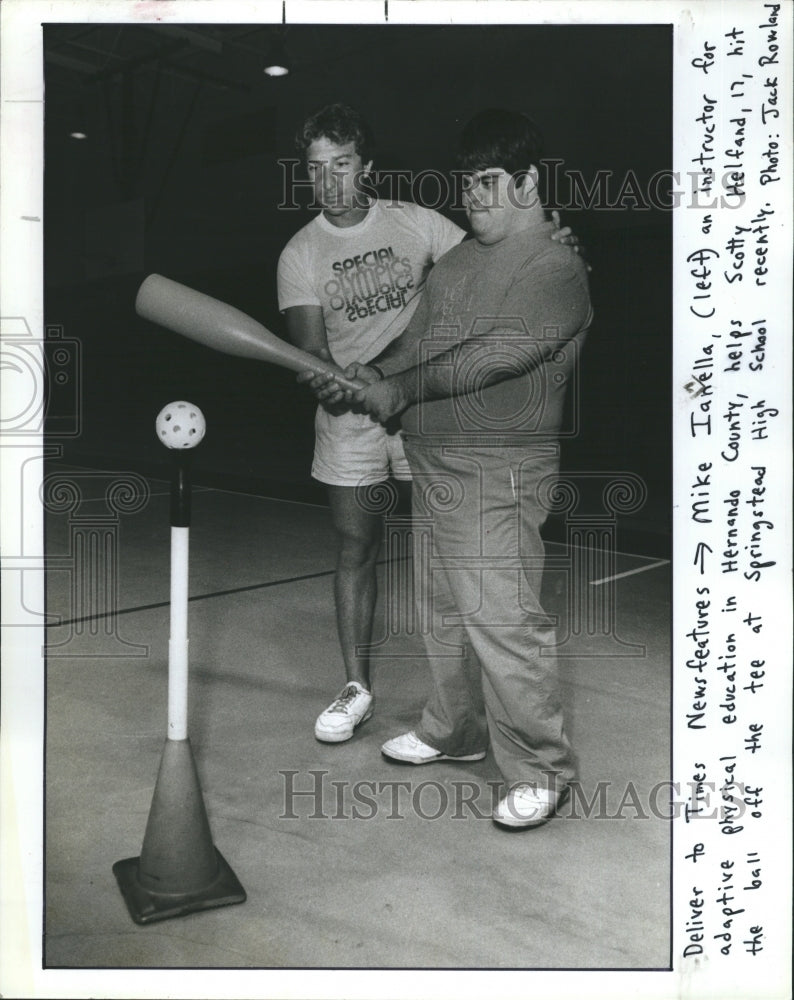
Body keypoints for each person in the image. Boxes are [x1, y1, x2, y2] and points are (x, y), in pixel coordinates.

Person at [305, 108, 592, 829]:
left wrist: (399, 388)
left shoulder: (555, 266)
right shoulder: (460, 260)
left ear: (528, 181)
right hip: (432, 462)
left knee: (503, 620)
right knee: (443, 615)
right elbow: (416, 339)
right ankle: (456, 731)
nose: (475, 196)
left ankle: (541, 767)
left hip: (502, 470)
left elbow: (494, 356)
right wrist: (373, 367)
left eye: (491, 182)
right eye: (468, 183)